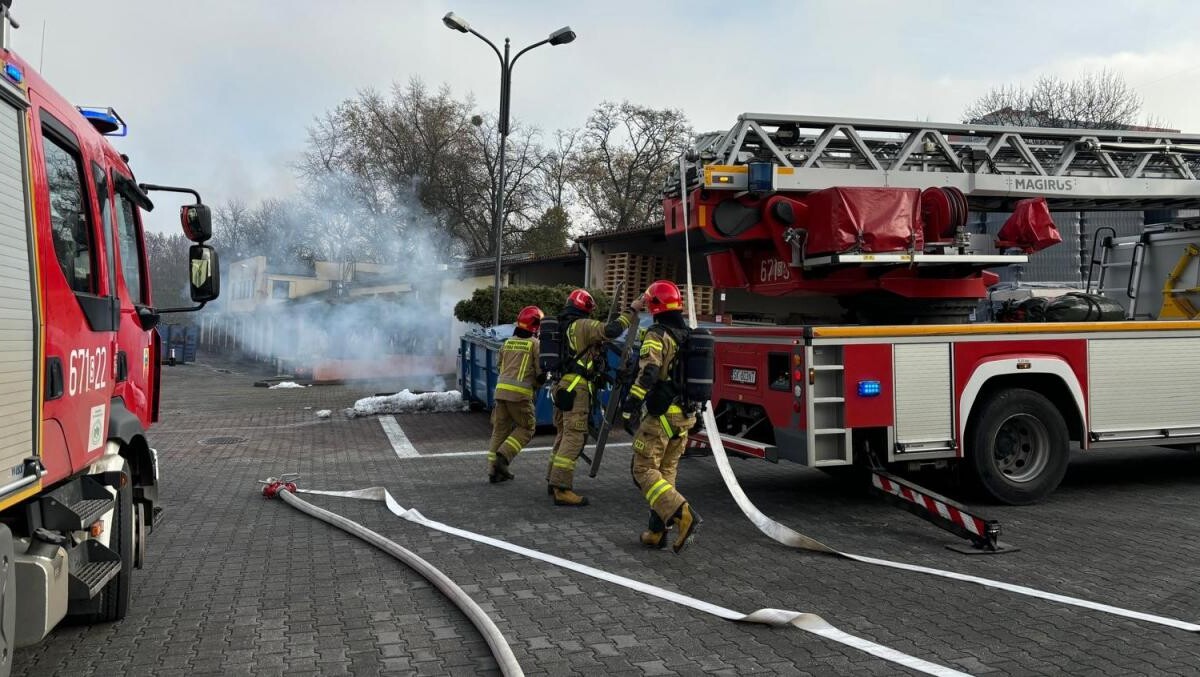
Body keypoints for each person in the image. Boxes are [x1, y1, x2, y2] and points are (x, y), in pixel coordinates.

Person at [621, 280, 701, 553]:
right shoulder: (689, 334)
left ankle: (684, 514)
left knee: (642, 470)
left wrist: (631, 403)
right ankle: (657, 531)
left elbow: (649, 372)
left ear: (654, 305)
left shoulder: (657, 334)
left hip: (661, 417)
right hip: (685, 417)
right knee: (665, 474)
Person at [546, 289, 639, 506]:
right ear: (585, 308)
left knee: (563, 434)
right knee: (575, 436)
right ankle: (562, 488)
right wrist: (632, 310)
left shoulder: (564, 326)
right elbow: (612, 330)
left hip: (562, 387)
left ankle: (553, 479)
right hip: (576, 389)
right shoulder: (582, 325)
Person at [487, 305, 544, 483]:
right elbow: (540, 371)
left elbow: (499, 366)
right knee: (527, 428)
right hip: (519, 396)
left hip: (500, 393)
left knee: (499, 430)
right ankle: (503, 458)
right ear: (535, 326)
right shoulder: (535, 344)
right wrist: (540, 381)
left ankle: (493, 472)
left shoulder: (507, 342)